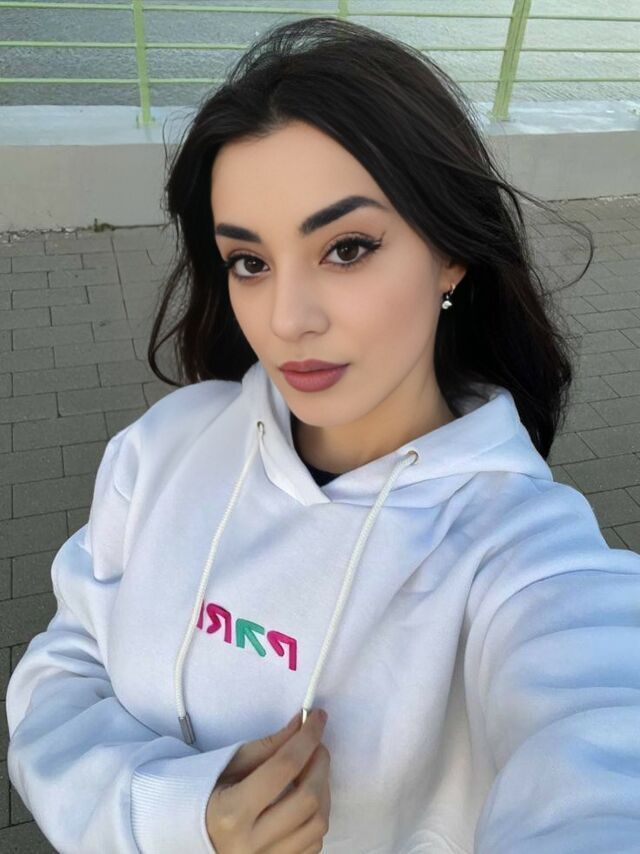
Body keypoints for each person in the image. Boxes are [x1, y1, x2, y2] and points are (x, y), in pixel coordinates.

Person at [6, 14, 640, 854]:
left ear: (451, 252)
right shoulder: (164, 449)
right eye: (250, 262)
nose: (287, 320)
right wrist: (176, 812)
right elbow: (64, 670)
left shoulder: (523, 555)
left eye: (346, 248)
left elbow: (601, 741)